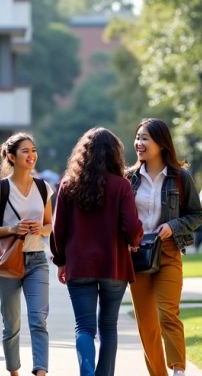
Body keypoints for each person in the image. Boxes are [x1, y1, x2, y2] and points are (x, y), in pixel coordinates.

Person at [51, 127, 143, 376]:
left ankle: (87, 372)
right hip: (114, 264)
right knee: (109, 327)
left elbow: (58, 230)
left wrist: (61, 261)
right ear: (114, 153)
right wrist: (135, 240)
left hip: (79, 265)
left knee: (84, 327)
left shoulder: (68, 185)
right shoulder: (122, 185)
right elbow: (132, 226)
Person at [126, 118, 202, 376]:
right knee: (147, 325)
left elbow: (196, 215)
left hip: (168, 251)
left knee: (167, 313)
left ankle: (179, 370)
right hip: (137, 256)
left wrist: (174, 226)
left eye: (145, 138)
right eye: (137, 137)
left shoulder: (181, 177)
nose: (139, 143)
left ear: (161, 143)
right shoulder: (129, 178)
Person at [0, 133, 53, 376]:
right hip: (7, 262)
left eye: (33, 150)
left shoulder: (43, 187)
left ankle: (41, 370)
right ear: (11, 157)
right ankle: (14, 371)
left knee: (38, 318)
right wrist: (13, 228)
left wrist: (39, 229)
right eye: (25, 151)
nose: (31, 155)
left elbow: (49, 224)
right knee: (11, 324)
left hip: (37, 259)